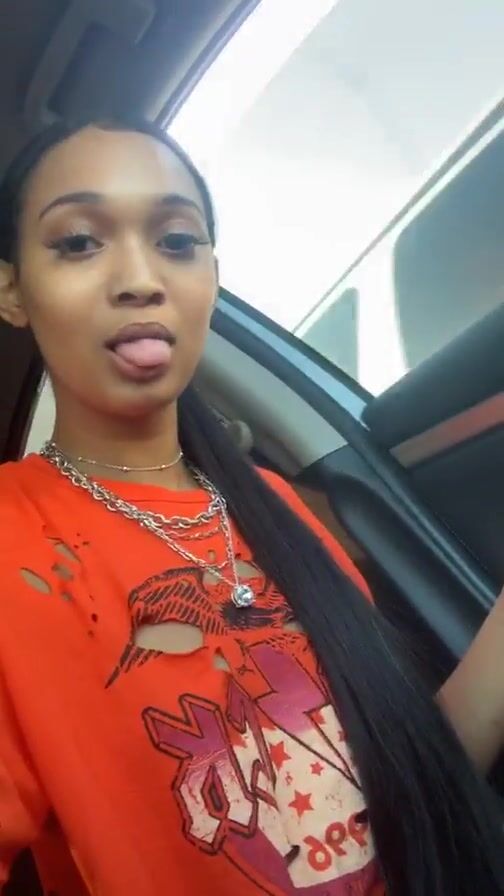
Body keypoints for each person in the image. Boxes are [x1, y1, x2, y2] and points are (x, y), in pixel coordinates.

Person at [0, 115, 502, 896]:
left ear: (211, 275)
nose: (140, 278)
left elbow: (410, 786)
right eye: (79, 242)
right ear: (11, 291)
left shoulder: (274, 505)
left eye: (176, 241)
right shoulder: (16, 544)